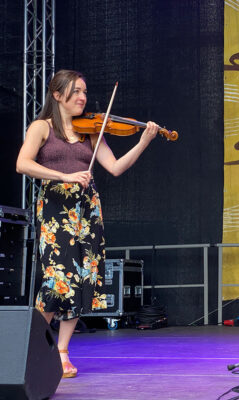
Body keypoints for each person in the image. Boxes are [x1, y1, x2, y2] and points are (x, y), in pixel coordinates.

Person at [16, 69, 158, 378]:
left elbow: (116, 167)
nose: (83, 97)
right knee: (55, 281)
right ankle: (36, 347)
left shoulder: (91, 131)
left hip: (86, 212)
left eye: (84, 91)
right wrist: (66, 175)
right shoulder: (42, 127)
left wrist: (144, 140)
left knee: (82, 280)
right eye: (76, 92)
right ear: (57, 95)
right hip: (56, 212)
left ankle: (63, 352)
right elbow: (22, 163)